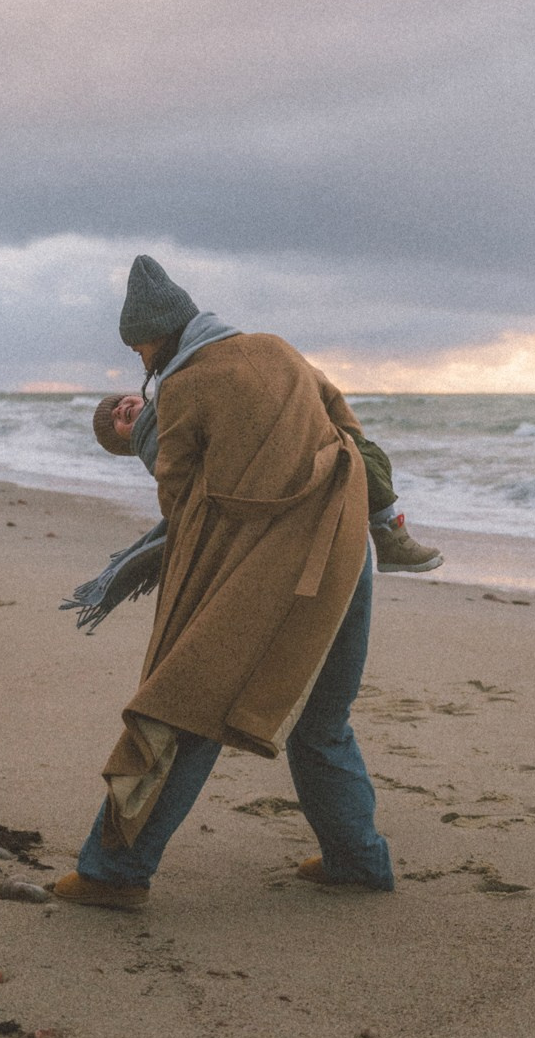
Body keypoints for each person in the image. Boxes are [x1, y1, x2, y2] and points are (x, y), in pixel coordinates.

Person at [53, 255, 397, 911]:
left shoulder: (181, 390)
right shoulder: (275, 348)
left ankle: (113, 873)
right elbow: (349, 429)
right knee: (324, 720)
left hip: (271, 566)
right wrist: (377, 511)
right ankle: (357, 860)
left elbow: (182, 499)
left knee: (186, 704)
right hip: (347, 541)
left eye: (138, 349)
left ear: (149, 342)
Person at [91, 392, 442, 573]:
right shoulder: (161, 453)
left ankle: (388, 532)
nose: (119, 408)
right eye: (115, 419)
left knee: (367, 454)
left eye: (121, 401)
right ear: (126, 444)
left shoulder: (176, 398)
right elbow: (183, 496)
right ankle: (388, 533)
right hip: (286, 497)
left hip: (302, 465)